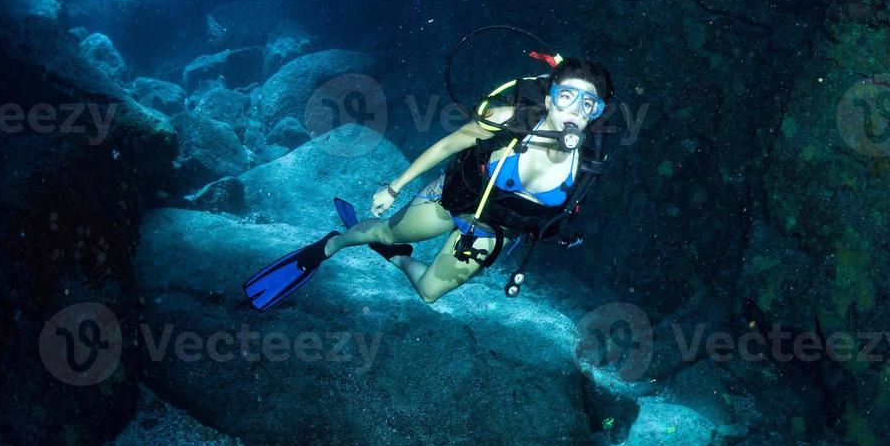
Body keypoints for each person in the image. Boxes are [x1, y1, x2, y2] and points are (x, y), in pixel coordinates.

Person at [242, 58, 614, 309]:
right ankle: (331, 245)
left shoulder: (589, 164)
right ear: (549, 98)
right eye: (566, 96)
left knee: (430, 293)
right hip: (451, 199)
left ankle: (401, 260)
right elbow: (450, 144)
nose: (574, 110)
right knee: (386, 232)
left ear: (596, 113)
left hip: (489, 230)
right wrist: (394, 186)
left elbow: (558, 216)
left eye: (588, 105)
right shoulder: (509, 120)